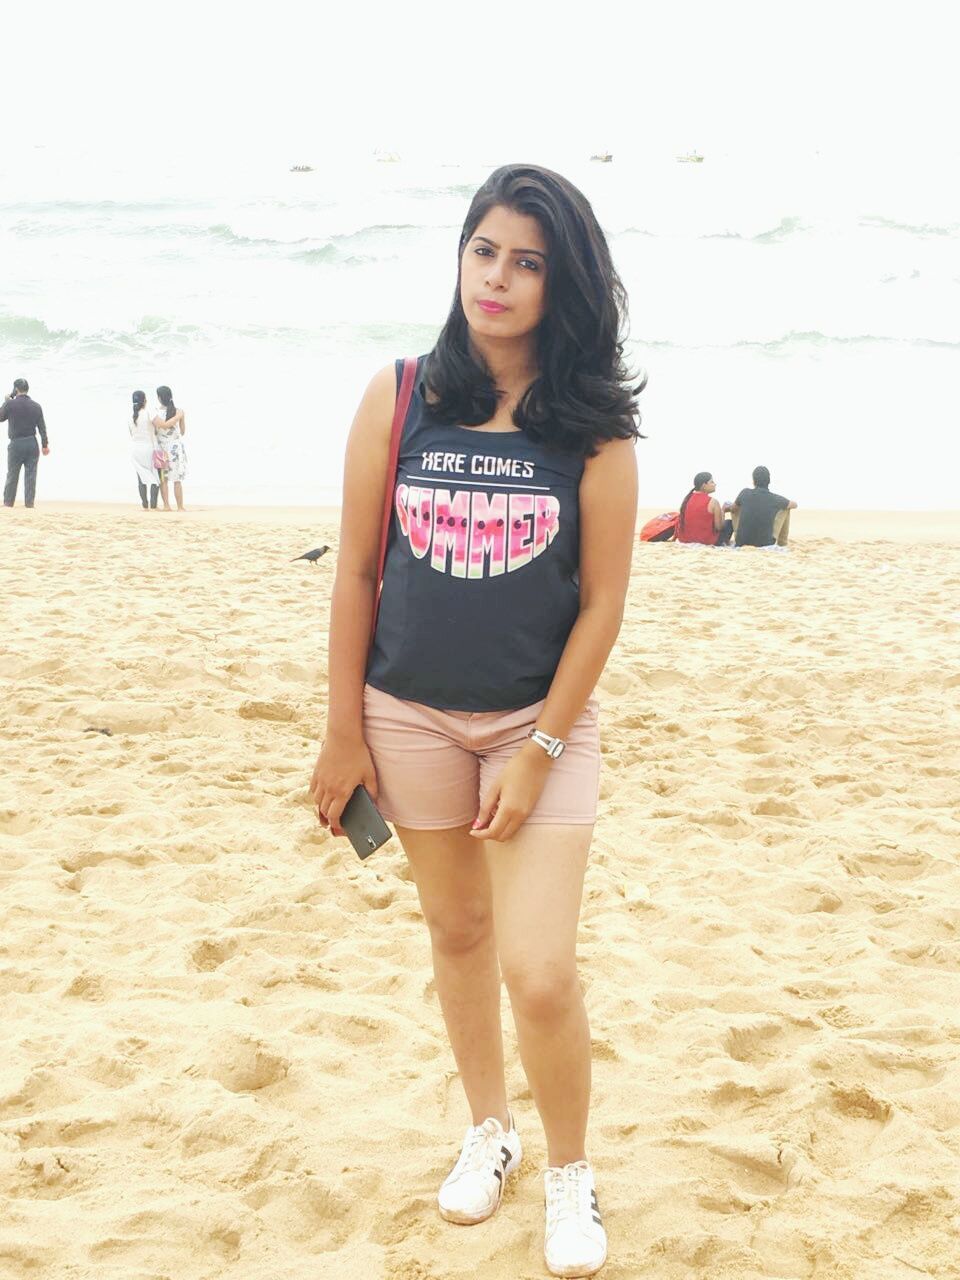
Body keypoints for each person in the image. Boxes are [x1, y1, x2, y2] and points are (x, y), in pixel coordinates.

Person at [310, 164, 642, 1278]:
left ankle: (567, 1171)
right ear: (460, 257)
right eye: (484, 251)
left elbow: (603, 604)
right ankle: (489, 1132)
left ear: (565, 284)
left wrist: (543, 747)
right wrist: (341, 729)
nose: (497, 278)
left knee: (540, 969)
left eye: (528, 261)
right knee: (456, 935)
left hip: (536, 727)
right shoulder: (399, 394)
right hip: (404, 714)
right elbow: (357, 571)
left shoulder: (593, 429)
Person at [2, 378, 49, 509]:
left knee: (12, 474)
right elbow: (42, 428)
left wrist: (6, 402)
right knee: (31, 475)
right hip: (32, 443)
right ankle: (29, 504)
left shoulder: (10, 404)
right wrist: (45, 445)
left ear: (15, 390)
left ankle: (8, 503)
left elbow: (0, 418)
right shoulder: (36, 406)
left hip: (16, 444)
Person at [732, 465, 797, 548]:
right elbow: (794, 505)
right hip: (765, 543)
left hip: (741, 542)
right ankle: (782, 544)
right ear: (769, 481)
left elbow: (733, 509)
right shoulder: (775, 499)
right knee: (786, 508)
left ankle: (741, 534)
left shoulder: (745, 493)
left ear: (753, 481)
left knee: (736, 507)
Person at [152, 386, 186, 511]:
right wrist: (179, 418)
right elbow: (182, 432)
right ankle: (180, 507)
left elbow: (154, 430)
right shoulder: (179, 411)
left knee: (163, 479)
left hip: (160, 447)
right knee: (177, 479)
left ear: (159, 398)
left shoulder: (154, 412)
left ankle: (166, 506)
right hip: (175, 448)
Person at [676, 470, 732, 545]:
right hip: (706, 541)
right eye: (712, 482)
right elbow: (719, 527)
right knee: (729, 523)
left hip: (685, 540)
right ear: (704, 485)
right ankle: (726, 543)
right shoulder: (713, 502)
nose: (715, 484)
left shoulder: (686, 500)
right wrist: (723, 510)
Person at [130, 390, 160, 510]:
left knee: (141, 479)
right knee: (155, 479)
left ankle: (144, 505)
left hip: (135, 450)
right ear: (145, 401)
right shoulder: (149, 413)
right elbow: (157, 429)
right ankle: (153, 506)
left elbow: (131, 434)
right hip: (149, 449)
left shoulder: (130, 417)